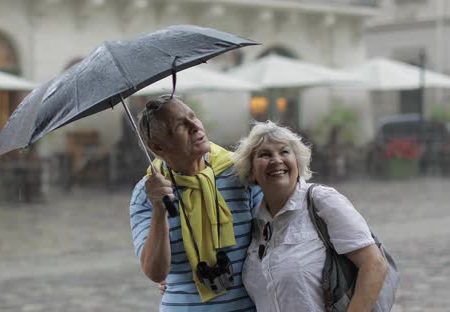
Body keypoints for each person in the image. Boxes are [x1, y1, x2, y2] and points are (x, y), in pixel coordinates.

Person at [231, 121, 388, 312]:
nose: (276, 160)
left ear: (297, 161)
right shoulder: (256, 223)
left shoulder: (321, 200)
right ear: (251, 170)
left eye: (284, 152)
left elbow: (374, 264)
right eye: (265, 154)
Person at [129, 94, 263, 311]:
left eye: (193, 117)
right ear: (158, 146)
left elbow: (276, 239)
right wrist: (159, 210)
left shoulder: (240, 173)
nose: (195, 126)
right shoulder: (147, 193)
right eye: (180, 125)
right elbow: (155, 272)